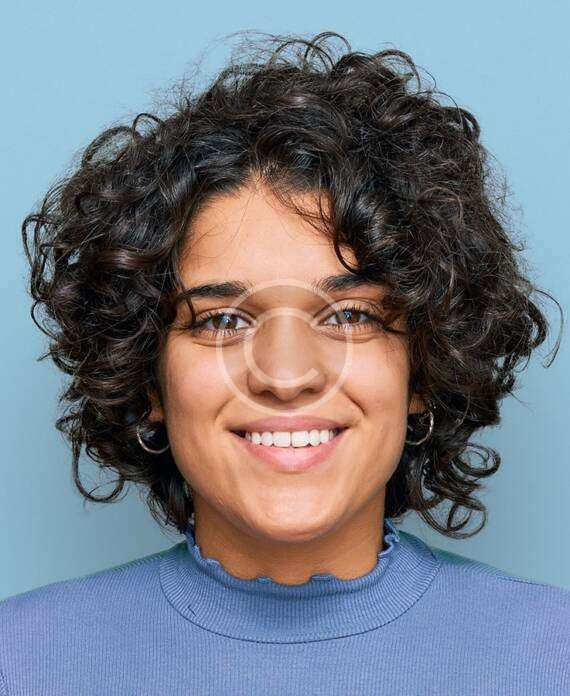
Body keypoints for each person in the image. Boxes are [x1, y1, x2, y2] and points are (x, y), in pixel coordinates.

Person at [1, 30, 568, 695]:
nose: (287, 375)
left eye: (350, 316)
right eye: (222, 320)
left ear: (423, 367)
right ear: (149, 378)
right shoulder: (21, 662)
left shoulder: (551, 656)